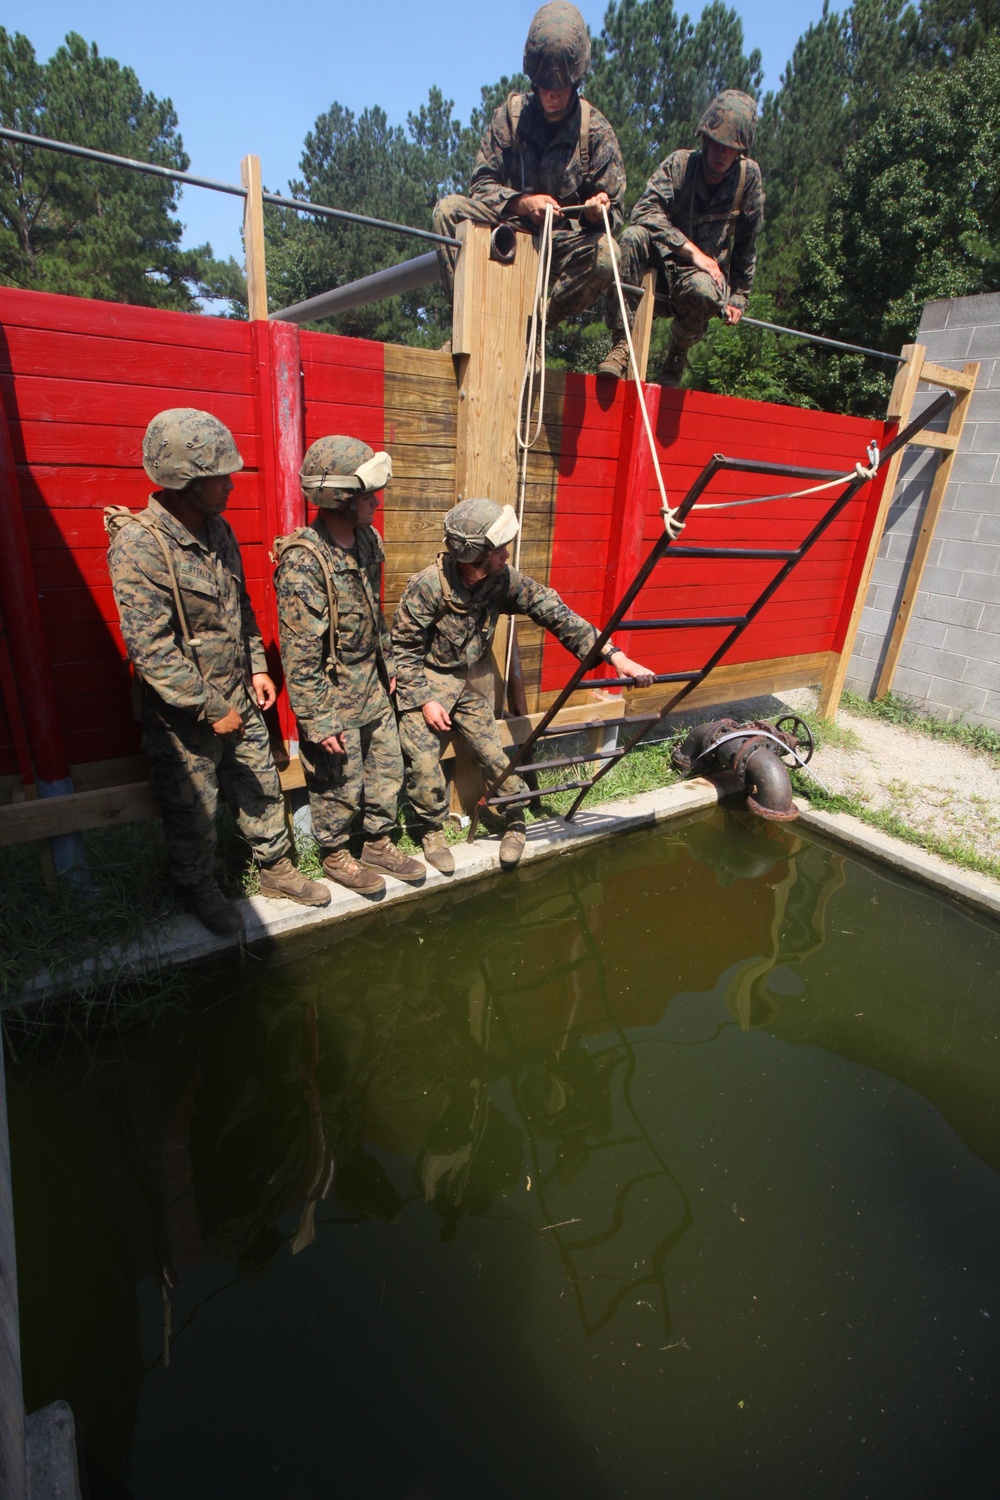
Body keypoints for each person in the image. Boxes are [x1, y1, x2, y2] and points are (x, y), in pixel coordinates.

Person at [106, 409, 329, 936]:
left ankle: (275, 868)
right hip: (184, 714)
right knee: (193, 807)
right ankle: (199, 888)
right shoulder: (141, 545)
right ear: (184, 482)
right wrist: (211, 708)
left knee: (260, 786)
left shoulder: (218, 529)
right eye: (219, 476)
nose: (231, 483)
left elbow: (239, 606)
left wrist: (255, 667)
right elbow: (151, 648)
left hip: (238, 696)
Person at [392, 498, 655, 874]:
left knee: (494, 753)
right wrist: (423, 700)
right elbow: (402, 648)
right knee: (421, 759)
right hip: (428, 679)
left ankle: (514, 818)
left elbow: (551, 609)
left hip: (474, 680)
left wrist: (615, 656)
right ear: (473, 555)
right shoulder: (428, 587)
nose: (506, 554)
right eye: (497, 548)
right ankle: (432, 830)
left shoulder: (502, 579)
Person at [273, 436, 424, 896]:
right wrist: (318, 719)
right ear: (339, 498)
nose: (374, 503)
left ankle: (376, 842)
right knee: (337, 779)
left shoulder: (368, 539)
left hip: (371, 680)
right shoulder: (303, 560)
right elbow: (298, 652)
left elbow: (373, 608)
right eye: (366, 495)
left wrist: (390, 661)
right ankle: (336, 853)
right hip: (330, 687)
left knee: (385, 767)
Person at [432, 0, 625, 332]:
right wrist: (524, 202)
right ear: (534, 80)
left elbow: (615, 215)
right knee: (447, 211)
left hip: (561, 246)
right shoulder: (511, 116)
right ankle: (466, 327)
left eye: (561, 89)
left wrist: (597, 213)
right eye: (545, 88)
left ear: (576, 82)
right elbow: (481, 185)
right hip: (510, 229)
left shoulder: (595, 131)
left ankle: (534, 329)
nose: (552, 96)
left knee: (608, 255)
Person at [598, 89, 764, 387]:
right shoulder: (680, 165)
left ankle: (677, 354)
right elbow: (644, 211)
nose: (720, 153)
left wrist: (740, 295)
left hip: (697, 285)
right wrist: (691, 251)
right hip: (660, 268)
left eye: (729, 147)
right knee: (631, 238)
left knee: (706, 291)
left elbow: (747, 243)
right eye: (715, 143)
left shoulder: (747, 179)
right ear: (704, 139)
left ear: (740, 152)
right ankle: (621, 344)